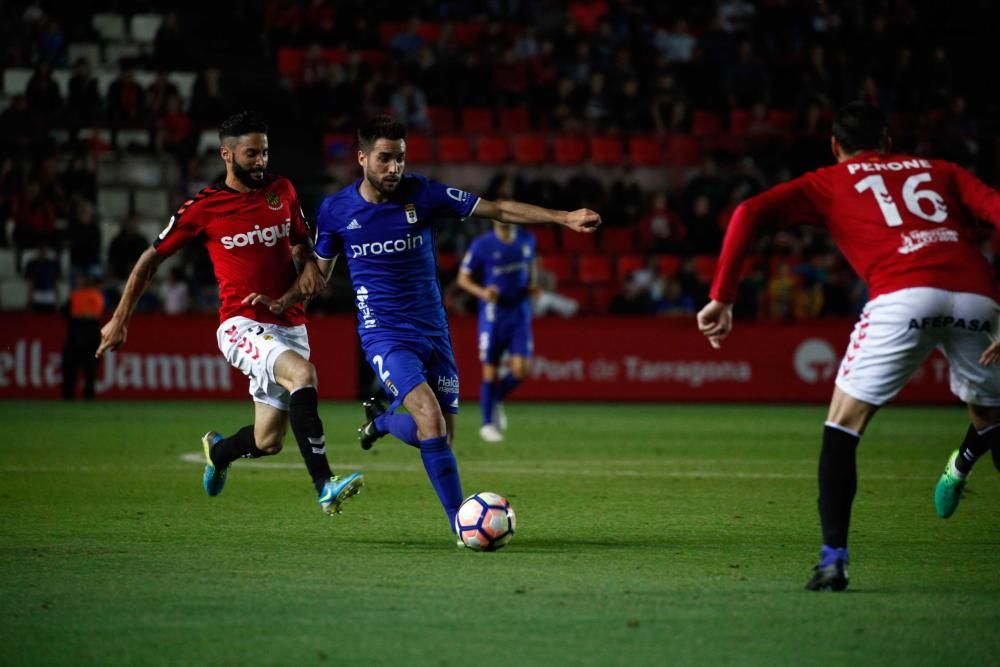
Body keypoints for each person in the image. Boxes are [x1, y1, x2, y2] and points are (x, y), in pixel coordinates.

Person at [696, 102, 1000, 592]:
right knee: (993, 422)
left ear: (835, 146)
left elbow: (749, 211)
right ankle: (963, 464)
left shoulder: (831, 180)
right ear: (886, 141)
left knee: (843, 426)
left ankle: (833, 558)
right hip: (979, 297)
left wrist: (722, 297)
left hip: (902, 296)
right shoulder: (941, 170)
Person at [251, 115, 600, 536]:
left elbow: (498, 208)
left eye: (399, 159)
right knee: (430, 419)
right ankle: (461, 525)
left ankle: (380, 421)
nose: (393, 168)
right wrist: (286, 298)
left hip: (434, 331)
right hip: (385, 335)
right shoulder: (337, 210)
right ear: (362, 159)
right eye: (384, 159)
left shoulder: (426, 194)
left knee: (438, 436)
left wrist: (562, 218)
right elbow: (318, 276)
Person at [96, 110, 363, 516]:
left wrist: (307, 266)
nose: (261, 162)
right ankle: (325, 486)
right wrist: (120, 318)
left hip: (288, 324)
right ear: (227, 154)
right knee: (303, 376)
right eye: (252, 154)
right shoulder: (203, 207)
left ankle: (219, 453)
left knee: (268, 441)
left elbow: (298, 242)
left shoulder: (282, 190)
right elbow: (150, 260)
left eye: (265, 153)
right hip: (241, 324)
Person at [456, 220, 538, 442]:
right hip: (494, 313)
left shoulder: (526, 239)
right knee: (490, 370)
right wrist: (482, 292)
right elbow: (462, 279)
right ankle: (487, 424)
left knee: (521, 370)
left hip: (519, 311)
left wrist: (532, 284)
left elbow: (532, 265)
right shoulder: (482, 245)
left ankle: (495, 399)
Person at [62, 270, 105, 400]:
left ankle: (77, 396)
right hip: (84, 335)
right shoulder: (90, 296)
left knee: (81, 369)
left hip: (82, 334)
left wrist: (78, 316)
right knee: (83, 369)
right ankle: (83, 396)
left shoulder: (87, 295)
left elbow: (66, 312)